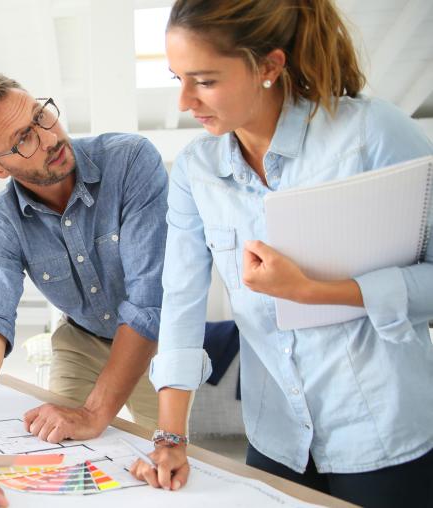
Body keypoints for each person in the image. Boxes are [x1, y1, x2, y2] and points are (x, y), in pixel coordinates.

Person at [132, 1, 433, 506]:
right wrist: (169, 437)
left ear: (269, 66)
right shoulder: (195, 171)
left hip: (384, 435)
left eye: (204, 80)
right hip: (277, 440)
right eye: (176, 78)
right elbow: (180, 302)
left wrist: (313, 292)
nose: (185, 101)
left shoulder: (371, 134)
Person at [0, 72, 169, 507]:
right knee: (58, 459)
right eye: (23, 139)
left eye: (41, 116)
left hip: (155, 341)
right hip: (81, 339)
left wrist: (93, 413)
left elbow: (147, 302)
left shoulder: (130, 160)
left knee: (168, 468)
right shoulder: (2, 221)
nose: (49, 138)